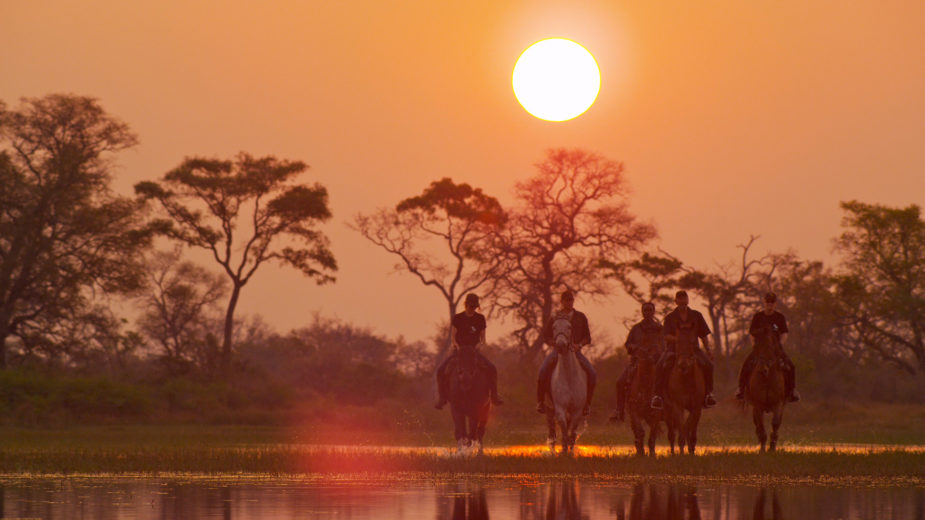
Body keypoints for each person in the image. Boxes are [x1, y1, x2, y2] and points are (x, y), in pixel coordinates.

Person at [650, 290, 717, 410]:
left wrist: (708, 350)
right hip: (674, 349)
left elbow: (703, 335)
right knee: (660, 365)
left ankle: (708, 394)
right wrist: (680, 339)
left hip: (693, 349)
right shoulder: (670, 317)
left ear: (688, 300)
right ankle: (658, 396)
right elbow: (666, 335)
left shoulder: (697, 315)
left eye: (684, 298)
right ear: (676, 301)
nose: (682, 301)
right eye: (679, 299)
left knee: (709, 365)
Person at [434, 293, 503, 409]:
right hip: (459, 351)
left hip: (474, 351)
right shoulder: (458, 318)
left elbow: (483, 338)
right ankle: (442, 398)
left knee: (492, 368)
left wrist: (479, 346)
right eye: (471, 306)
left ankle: (494, 396)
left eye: (474, 307)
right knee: (441, 370)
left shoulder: (480, 318)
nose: (472, 309)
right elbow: (453, 337)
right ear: (466, 305)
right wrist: (457, 346)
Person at [535, 290, 597, 416]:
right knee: (542, 371)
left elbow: (587, 337)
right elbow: (546, 336)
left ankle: (587, 404)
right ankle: (541, 402)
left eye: (571, 300)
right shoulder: (554, 316)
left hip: (575, 352)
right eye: (567, 300)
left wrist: (579, 345)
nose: (569, 302)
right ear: (562, 301)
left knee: (592, 373)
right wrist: (556, 343)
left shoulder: (581, 317)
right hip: (557, 352)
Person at [735, 292, 800, 402]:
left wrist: (780, 344)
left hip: (775, 348)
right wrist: (754, 345)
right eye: (768, 302)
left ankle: (791, 391)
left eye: (772, 302)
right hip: (760, 348)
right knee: (746, 364)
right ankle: (741, 389)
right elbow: (752, 333)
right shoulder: (758, 317)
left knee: (791, 366)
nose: (770, 304)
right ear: (764, 302)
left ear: (775, 304)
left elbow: (784, 333)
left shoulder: (779, 317)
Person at [609, 302, 665, 422]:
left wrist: (656, 354)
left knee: (667, 379)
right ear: (642, 312)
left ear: (653, 311)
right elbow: (628, 343)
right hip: (637, 362)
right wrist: (633, 347)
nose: (647, 313)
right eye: (645, 310)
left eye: (650, 310)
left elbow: (664, 347)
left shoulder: (659, 329)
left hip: (655, 363)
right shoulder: (636, 329)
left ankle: (667, 409)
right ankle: (619, 410)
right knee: (620, 382)